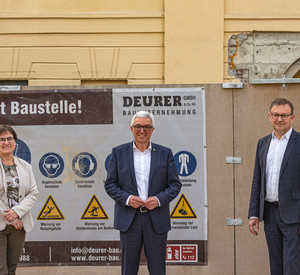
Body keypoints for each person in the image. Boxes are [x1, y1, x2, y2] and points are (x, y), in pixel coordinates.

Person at [105, 111, 181, 275]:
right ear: (131, 129)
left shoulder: (164, 153)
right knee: (128, 270)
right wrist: (127, 198)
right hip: (129, 219)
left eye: (147, 127)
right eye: (138, 126)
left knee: (157, 269)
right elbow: (110, 184)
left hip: (156, 220)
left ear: (152, 129)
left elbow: (175, 184)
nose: (142, 131)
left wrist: (159, 200)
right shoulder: (118, 153)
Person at [248, 98, 300, 275]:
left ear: (292, 117)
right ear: (269, 116)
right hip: (270, 214)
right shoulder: (263, 143)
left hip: (295, 216)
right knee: (275, 265)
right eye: (276, 115)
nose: (279, 119)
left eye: (284, 115)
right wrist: (254, 213)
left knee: (293, 267)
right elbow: (257, 180)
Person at [0, 125, 38, 275]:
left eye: (9, 138)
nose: (6, 142)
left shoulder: (25, 166)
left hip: (19, 225)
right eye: (1, 139)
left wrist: (16, 212)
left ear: (15, 142)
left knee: (11, 270)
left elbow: (33, 193)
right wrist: (8, 217)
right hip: (2, 223)